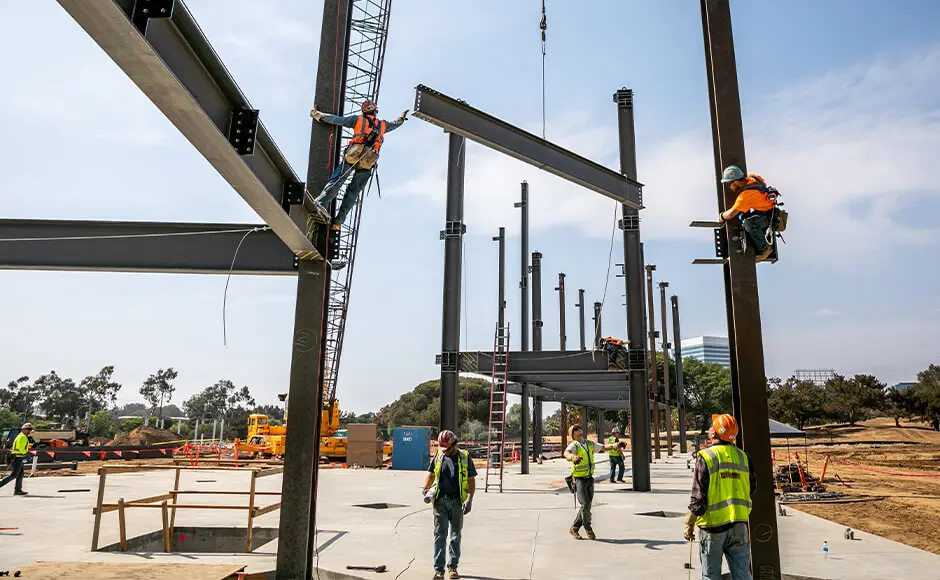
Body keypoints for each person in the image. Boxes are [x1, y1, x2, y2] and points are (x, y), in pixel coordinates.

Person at [309, 100, 408, 230]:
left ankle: (320, 204)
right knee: (353, 193)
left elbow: (337, 120)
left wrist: (317, 114)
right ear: (375, 111)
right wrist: (401, 117)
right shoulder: (382, 125)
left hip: (353, 156)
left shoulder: (358, 120)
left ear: (364, 111)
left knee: (337, 181)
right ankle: (338, 222)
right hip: (368, 162)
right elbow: (396, 124)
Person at [683, 413, 757, 580]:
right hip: (739, 525)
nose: (709, 428)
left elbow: (698, 497)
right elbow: (752, 488)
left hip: (712, 528)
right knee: (743, 575)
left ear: (714, 433)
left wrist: (689, 523)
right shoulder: (743, 457)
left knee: (711, 576)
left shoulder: (706, 457)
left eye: (712, 426)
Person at [422, 429, 476, 579]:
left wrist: (469, 499)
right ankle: (439, 570)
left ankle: (453, 568)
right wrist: (425, 489)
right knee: (440, 534)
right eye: (443, 448)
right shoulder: (439, 456)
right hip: (440, 501)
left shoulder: (464, 457)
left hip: (457, 502)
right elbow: (431, 474)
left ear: (454, 444)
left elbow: (471, 480)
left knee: (455, 535)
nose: (444, 451)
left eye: (447, 448)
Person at [563, 424, 623, 540]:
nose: (579, 430)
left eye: (579, 428)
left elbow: (604, 447)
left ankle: (574, 529)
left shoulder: (589, 443)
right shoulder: (574, 445)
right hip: (579, 480)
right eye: (576, 430)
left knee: (587, 506)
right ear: (573, 434)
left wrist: (615, 445)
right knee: (585, 504)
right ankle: (588, 528)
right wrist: (573, 457)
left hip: (589, 478)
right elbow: (566, 453)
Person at [718, 165, 779, 262]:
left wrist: (721, 216)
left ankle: (765, 249)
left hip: (766, 219)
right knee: (745, 216)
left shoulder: (745, 197)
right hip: (771, 214)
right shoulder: (753, 178)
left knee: (749, 223)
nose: (729, 187)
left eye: (728, 184)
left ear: (736, 181)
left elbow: (730, 214)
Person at [0, 423, 33, 495]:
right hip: (17, 457)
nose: (29, 431)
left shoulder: (20, 436)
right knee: (14, 475)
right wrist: (26, 452)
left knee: (20, 474)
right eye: (28, 429)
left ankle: (18, 490)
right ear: (23, 429)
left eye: (30, 429)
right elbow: (21, 448)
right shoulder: (23, 437)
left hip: (17, 457)